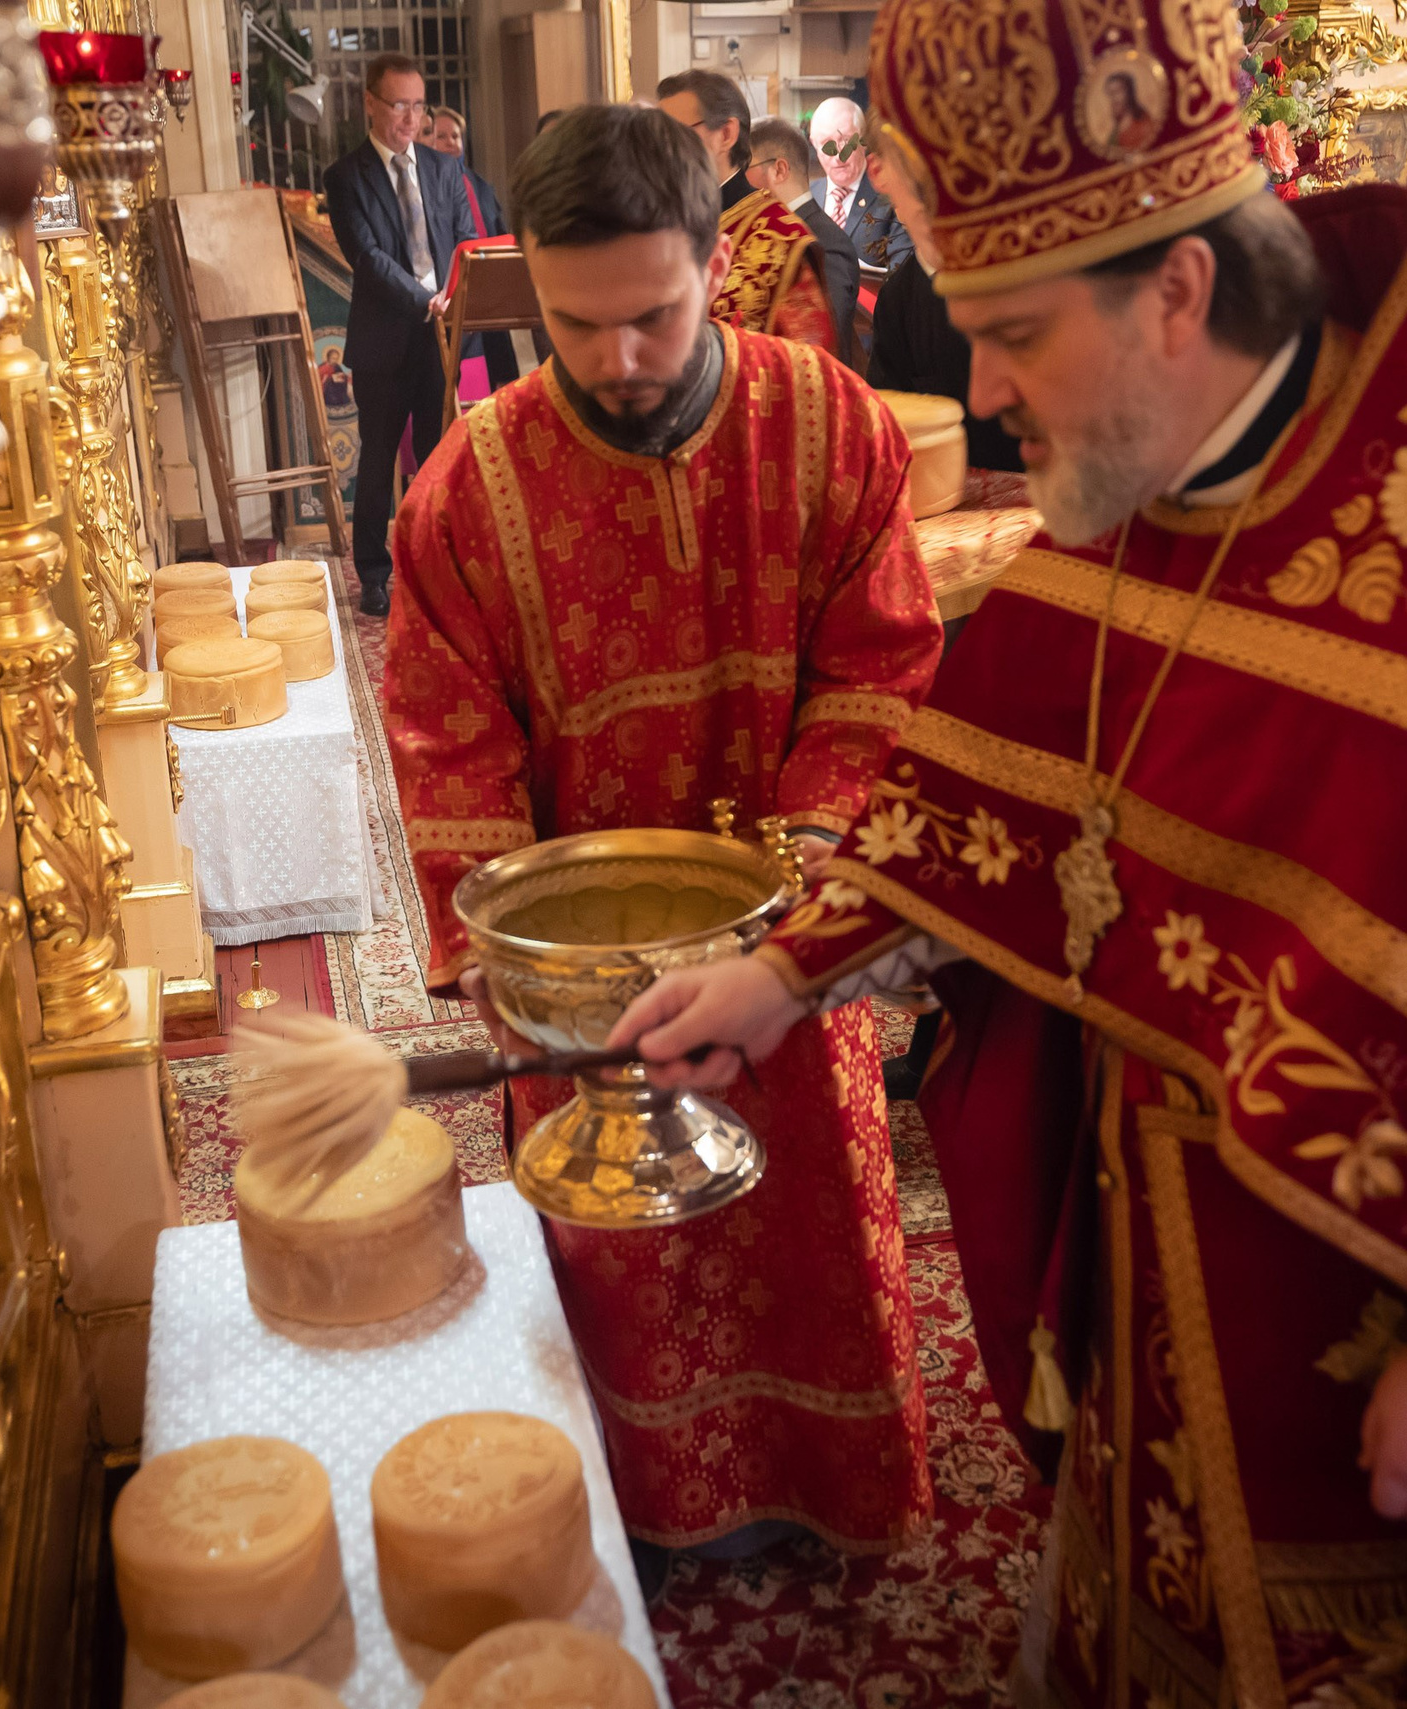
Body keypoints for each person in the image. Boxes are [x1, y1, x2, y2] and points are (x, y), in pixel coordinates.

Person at [608, 0, 1407, 1702]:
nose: (978, 389)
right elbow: (980, 802)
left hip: (1356, 1356)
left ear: (1182, 292)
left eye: (1011, 333)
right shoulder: (1129, 492)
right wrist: (779, 972)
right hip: (1141, 1265)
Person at [381, 103, 945, 1582]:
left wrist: (804, 872)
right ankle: (640, 1525)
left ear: (717, 263)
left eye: (653, 315)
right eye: (577, 324)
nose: (619, 358)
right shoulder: (468, 491)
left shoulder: (829, 426)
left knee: (807, 1221)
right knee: (614, 1262)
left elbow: (881, 669)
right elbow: (448, 746)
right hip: (586, 988)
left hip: (778, 950)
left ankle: (822, 1487)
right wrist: (509, 962)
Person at [324, 52, 478, 616]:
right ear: (370, 103)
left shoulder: (443, 169)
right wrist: (426, 300)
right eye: (399, 105)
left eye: (418, 105)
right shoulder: (345, 177)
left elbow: (463, 239)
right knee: (378, 458)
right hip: (386, 339)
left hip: (440, 339)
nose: (411, 118)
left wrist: (455, 293)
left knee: (439, 461)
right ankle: (374, 575)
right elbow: (365, 257)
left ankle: (435, 567)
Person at [656, 71, 846, 354]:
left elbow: (809, 370)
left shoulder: (781, 239)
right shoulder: (659, 230)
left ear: (726, 134)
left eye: (675, 135)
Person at [862, 141, 1021, 473]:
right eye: (918, 180)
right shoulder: (899, 300)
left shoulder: (1020, 271)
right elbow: (892, 423)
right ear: (879, 174)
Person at [745, 117, 862, 370]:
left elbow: (822, 346)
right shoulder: (767, 235)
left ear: (779, 169)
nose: (741, 181)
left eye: (746, 166)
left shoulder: (825, 242)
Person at [421, 103, 518, 392]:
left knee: (501, 378)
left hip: (492, 296)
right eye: (440, 135)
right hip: (453, 298)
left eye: (456, 136)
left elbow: (499, 233)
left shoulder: (481, 186)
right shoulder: (429, 188)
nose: (451, 142)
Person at [808, 95, 904, 269]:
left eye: (846, 141)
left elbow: (900, 271)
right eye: (826, 144)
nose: (838, 156)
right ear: (814, 145)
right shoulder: (806, 197)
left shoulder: (891, 197)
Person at [654, 67, 754, 214]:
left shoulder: (774, 227)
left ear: (726, 135)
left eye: (674, 133)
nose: (661, 148)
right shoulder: (664, 216)